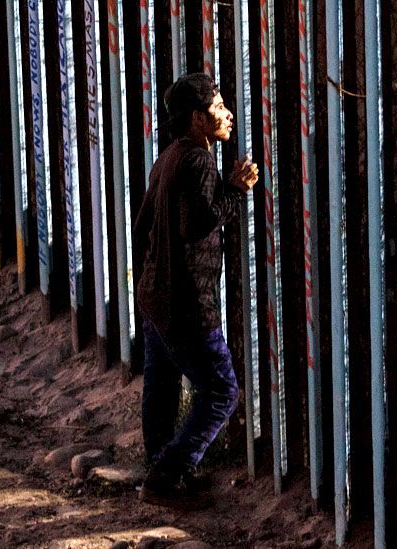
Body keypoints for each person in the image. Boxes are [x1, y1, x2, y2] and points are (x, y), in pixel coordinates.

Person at [132, 73, 258, 510]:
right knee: (222, 392)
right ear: (195, 120)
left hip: (155, 298)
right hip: (186, 306)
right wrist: (236, 189)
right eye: (218, 109)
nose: (227, 116)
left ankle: (159, 469)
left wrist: (152, 276)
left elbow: (144, 224)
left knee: (162, 388)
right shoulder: (201, 162)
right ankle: (167, 475)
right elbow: (200, 223)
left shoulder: (166, 158)